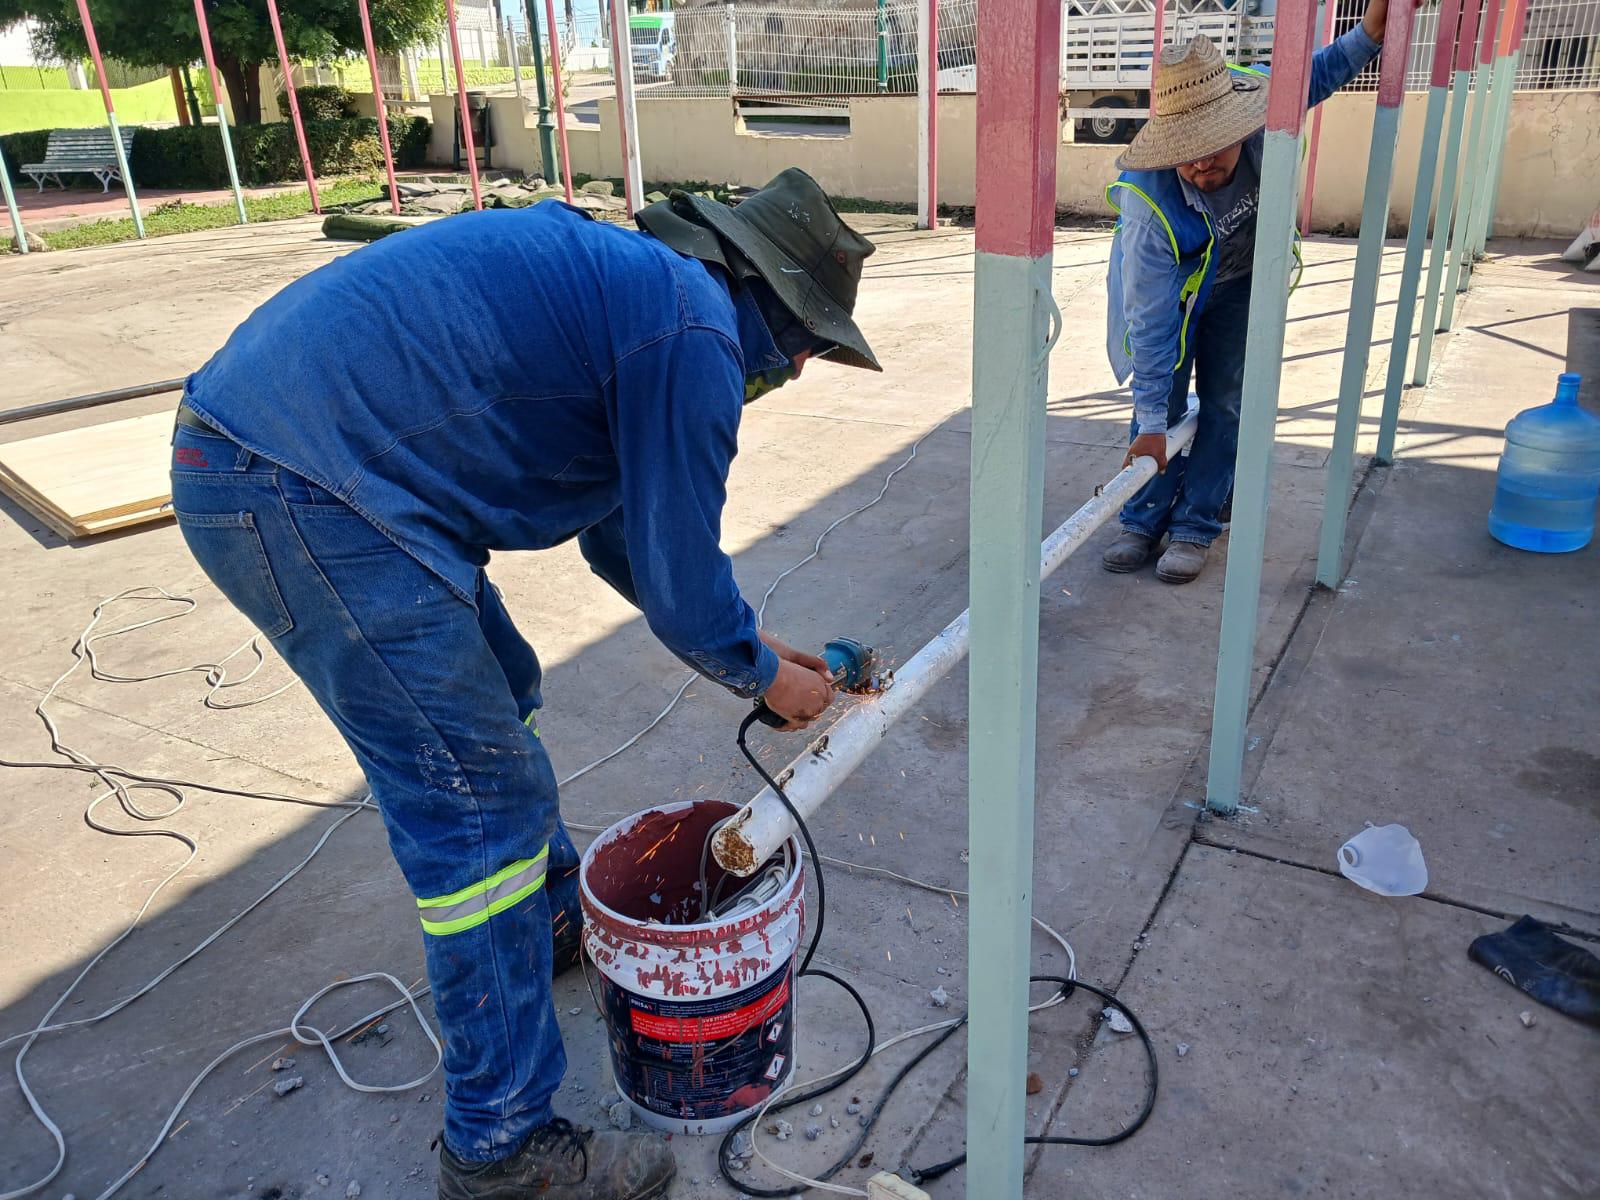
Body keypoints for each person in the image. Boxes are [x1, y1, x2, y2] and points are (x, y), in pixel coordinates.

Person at [168, 168, 880, 1200]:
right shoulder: (694, 338)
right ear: (775, 308)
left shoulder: (649, 294)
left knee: (499, 680)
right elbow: (679, 590)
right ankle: (501, 1149)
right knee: (477, 808)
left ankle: (549, 915)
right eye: (809, 346)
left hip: (286, 459)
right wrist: (765, 678)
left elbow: (621, 542)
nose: (801, 370)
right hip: (296, 483)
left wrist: (758, 650)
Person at [1100, 4, 1395, 584]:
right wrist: (1153, 419)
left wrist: (1369, 35)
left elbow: (1314, 75)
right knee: (1159, 405)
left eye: (1214, 144)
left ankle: (1196, 523)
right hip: (1175, 298)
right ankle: (1142, 515)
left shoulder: (1262, 111)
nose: (1203, 161)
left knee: (1225, 402)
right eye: (1187, 149)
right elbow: (1152, 322)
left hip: (1239, 283)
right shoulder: (1148, 207)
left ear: (1241, 126)